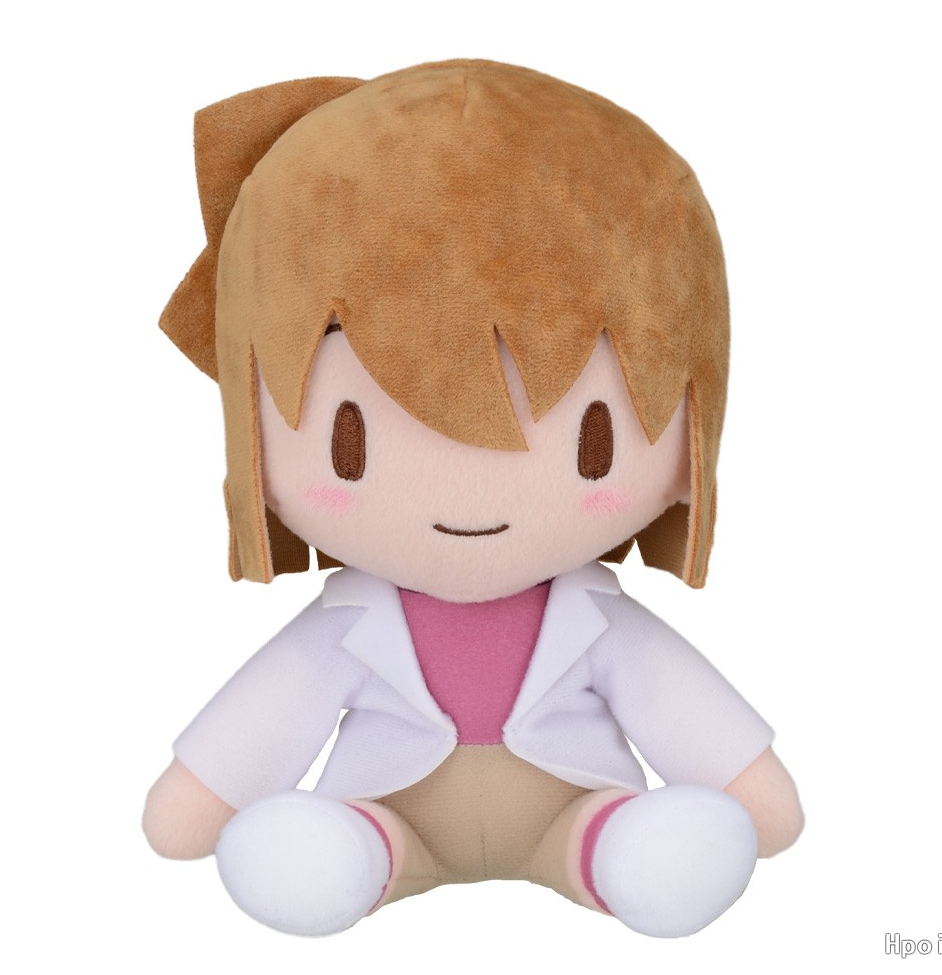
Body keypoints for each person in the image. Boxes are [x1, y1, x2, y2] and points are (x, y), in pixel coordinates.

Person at [143, 59, 803, 937]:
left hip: (575, 803)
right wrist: (203, 798)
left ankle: (615, 853)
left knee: (630, 841)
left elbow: (678, 705)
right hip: (387, 808)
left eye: (592, 442)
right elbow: (259, 724)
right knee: (324, 852)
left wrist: (748, 792)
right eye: (349, 441)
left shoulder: (599, 619)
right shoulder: (345, 623)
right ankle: (353, 857)